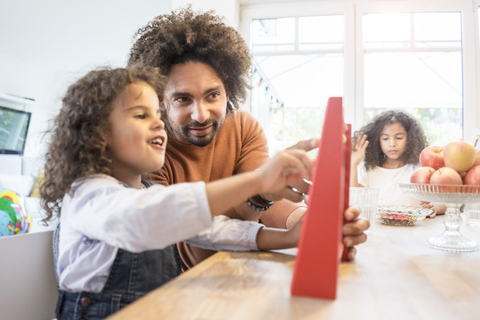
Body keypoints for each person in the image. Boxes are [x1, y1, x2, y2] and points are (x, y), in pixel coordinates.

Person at [40, 66, 365, 319]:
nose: (159, 124)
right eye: (141, 115)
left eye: (158, 114)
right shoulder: (86, 195)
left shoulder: (149, 189)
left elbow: (214, 229)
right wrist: (258, 182)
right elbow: (146, 218)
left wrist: (294, 236)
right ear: (97, 134)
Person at [128, 7, 368, 269]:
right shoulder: (150, 148)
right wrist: (262, 196)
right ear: (160, 100)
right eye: (183, 99)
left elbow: (267, 202)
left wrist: (313, 224)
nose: (200, 115)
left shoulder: (243, 127)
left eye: (212, 95)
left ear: (228, 92)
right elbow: (197, 251)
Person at [350, 110, 445, 217]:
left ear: (410, 139)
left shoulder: (420, 169)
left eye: (399, 138)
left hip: (414, 231)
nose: (392, 144)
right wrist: (353, 164)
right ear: (378, 141)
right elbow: (355, 201)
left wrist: (435, 207)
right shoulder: (368, 170)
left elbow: (447, 201)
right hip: (379, 231)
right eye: (385, 138)